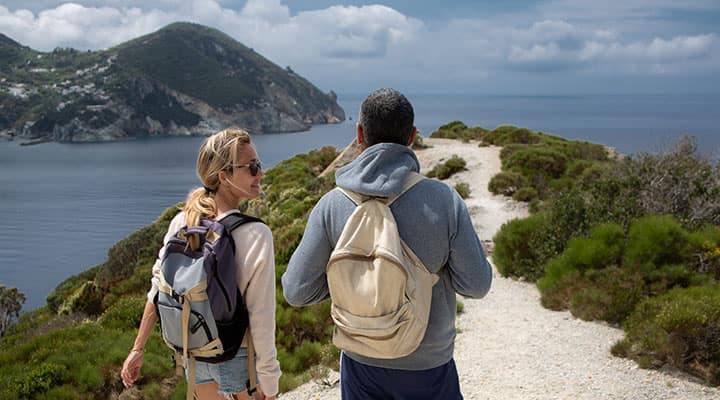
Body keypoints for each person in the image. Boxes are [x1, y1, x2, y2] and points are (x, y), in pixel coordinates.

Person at [281, 88, 492, 399]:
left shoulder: (331, 205)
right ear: (413, 136)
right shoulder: (444, 201)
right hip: (429, 365)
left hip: (360, 363)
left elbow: (296, 291)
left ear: (359, 134)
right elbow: (477, 285)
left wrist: (353, 281)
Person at [121, 128, 281, 400]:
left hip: (195, 353)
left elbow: (158, 291)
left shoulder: (183, 221)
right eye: (252, 167)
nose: (260, 174)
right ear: (224, 176)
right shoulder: (255, 234)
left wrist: (138, 349)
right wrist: (269, 378)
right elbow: (261, 313)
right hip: (237, 356)